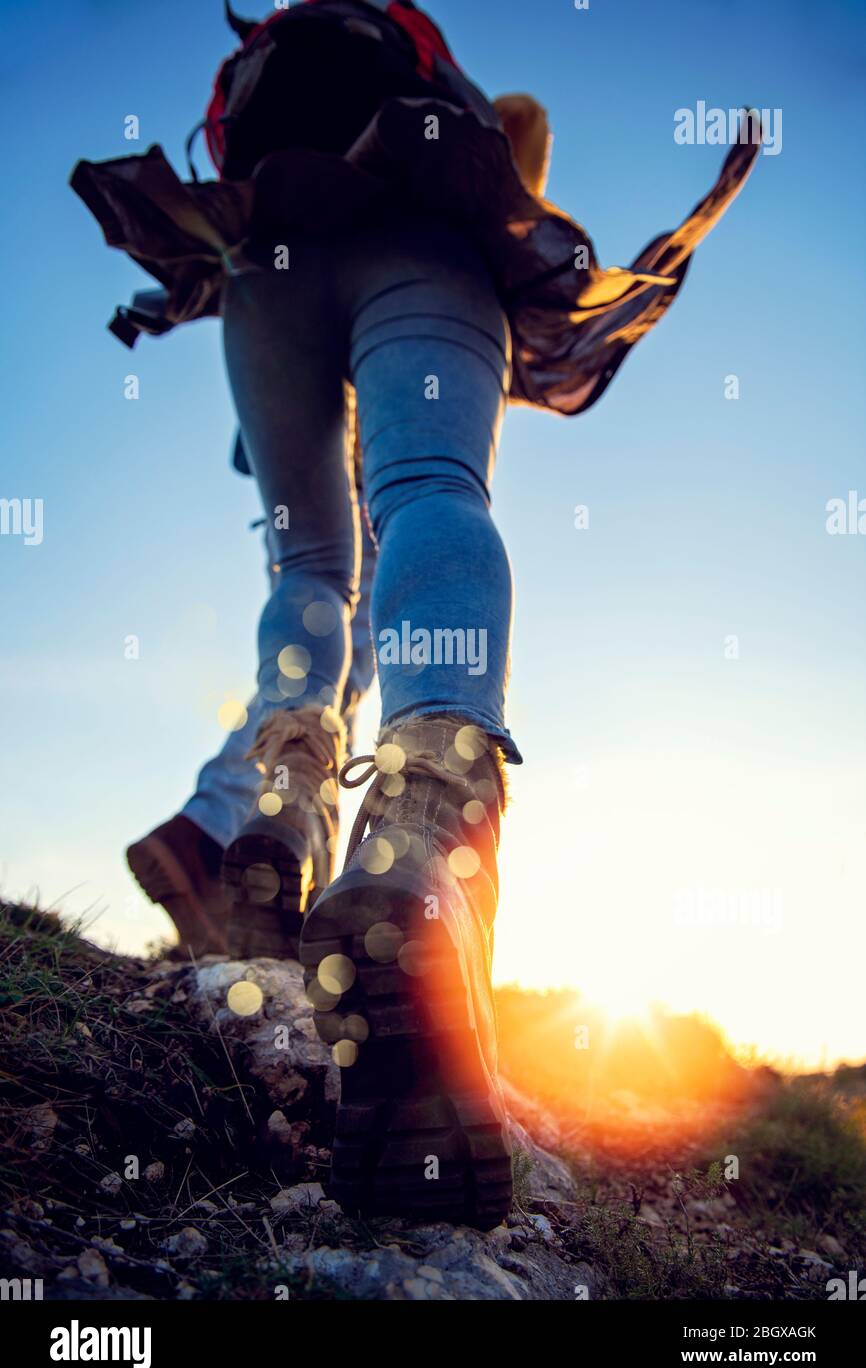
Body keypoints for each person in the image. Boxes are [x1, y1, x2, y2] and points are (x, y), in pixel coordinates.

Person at [71, 0, 760, 1227]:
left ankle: (273, 824)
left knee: (308, 571)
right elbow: (522, 137)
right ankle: (423, 839)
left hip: (262, 270)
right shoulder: (461, 149)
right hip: (416, 259)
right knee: (432, 491)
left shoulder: (283, 120)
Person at [126, 434, 378, 960]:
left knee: (314, 680)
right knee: (327, 681)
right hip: (362, 481)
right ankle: (209, 836)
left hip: (294, 470)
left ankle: (290, 888)